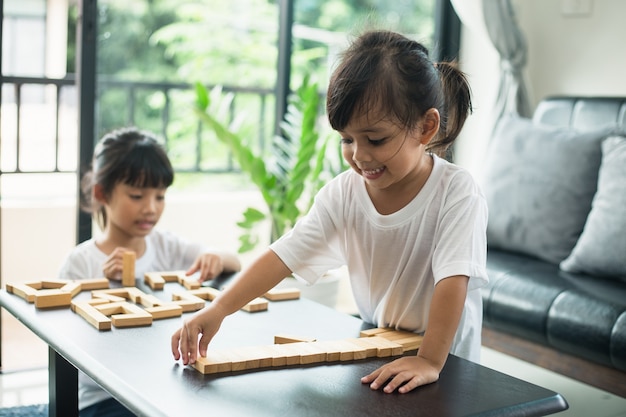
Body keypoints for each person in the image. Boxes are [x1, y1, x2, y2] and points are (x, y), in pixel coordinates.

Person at [171, 29, 488, 395]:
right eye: (346, 139)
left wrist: (430, 359)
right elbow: (283, 255)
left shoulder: (457, 192)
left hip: (445, 362)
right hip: (381, 345)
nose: (360, 155)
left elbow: (453, 283)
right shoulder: (343, 193)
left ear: (426, 127)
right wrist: (218, 310)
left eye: (376, 139)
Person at [59, 127, 241, 416]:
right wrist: (107, 289)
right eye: (136, 196)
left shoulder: (166, 245)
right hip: (104, 396)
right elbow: (65, 344)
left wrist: (215, 257)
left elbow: (234, 261)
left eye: (160, 196)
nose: (151, 208)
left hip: (161, 387)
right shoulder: (80, 263)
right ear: (102, 193)